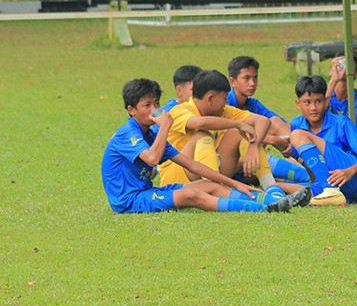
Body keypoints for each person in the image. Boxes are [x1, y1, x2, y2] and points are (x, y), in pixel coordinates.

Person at [102, 78, 309, 214]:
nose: (155, 109)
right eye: (147, 106)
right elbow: (152, 159)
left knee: (210, 185)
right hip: (129, 200)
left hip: (147, 190)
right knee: (191, 195)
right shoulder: (127, 133)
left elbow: (193, 165)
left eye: (156, 103)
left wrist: (233, 183)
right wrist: (165, 125)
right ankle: (262, 209)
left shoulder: (151, 134)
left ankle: (273, 200)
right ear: (131, 110)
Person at [158, 70, 300, 207]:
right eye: (225, 98)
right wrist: (239, 124)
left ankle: (272, 190)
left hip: (211, 172)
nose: (226, 103)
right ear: (211, 99)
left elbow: (263, 121)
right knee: (202, 134)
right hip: (177, 180)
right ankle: (215, 191)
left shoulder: (223, 110)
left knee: (239, 134)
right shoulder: (179, 110)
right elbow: (199, 123)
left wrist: (254, 146)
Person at [289, 75, 357, 205]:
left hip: (354, 177)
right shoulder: (296, 123)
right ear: (298, 103)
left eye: (318, 101)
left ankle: (330, 191)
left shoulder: (341, 123)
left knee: (298, 135)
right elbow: (307, 163)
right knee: (279, 185)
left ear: (326, 101)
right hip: (335, 183)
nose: (313, 108)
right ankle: (331, 194)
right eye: (307, 102)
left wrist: (350, 171)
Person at [226, 55, 309, 184]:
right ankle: (309, 172)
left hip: (252, 168)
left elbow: (278, 123)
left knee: (274, 122)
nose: (252, 83)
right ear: (233, 81)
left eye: (255, 77)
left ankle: (309, 163)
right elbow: (233, 136)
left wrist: (292, 142)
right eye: (246, 78)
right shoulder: (225, 103)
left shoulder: (253, 104)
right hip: (232, 166)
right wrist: (272, 140)